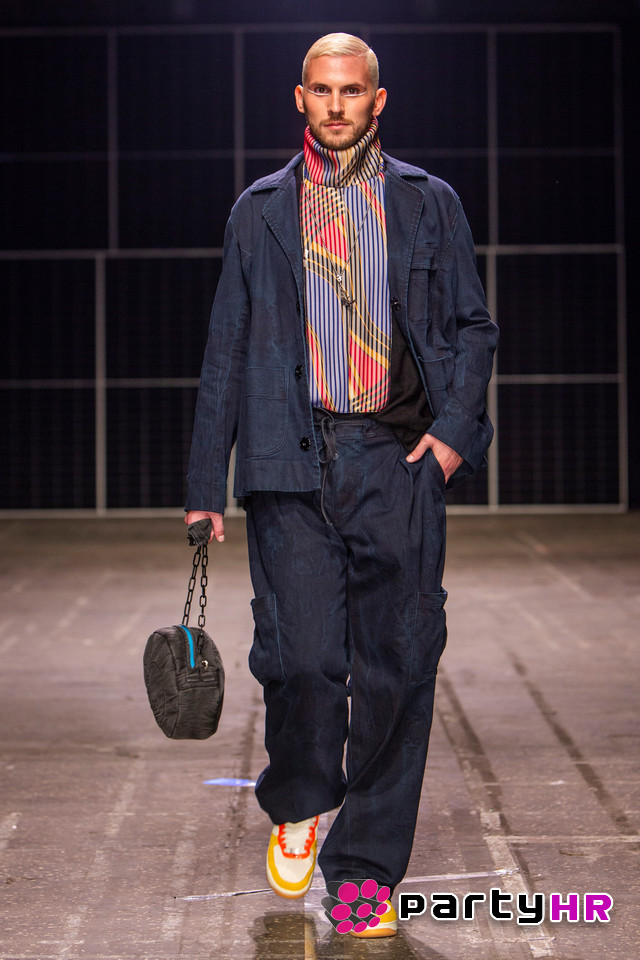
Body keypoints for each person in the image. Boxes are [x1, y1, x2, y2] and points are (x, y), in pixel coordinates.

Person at [185, 33, 498, 938]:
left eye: (350, 91)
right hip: (287, 458)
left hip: (394, 458)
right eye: (321, 90)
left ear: (376, 100)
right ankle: (299, 797)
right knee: (303, 661)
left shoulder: (428, 202)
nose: (335, 105)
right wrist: (207, 479)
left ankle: (362, 874)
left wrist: (452, 435)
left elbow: (473, 327)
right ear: (300, 97)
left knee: (399, 667)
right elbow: (227, 345)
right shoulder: (261, 209)